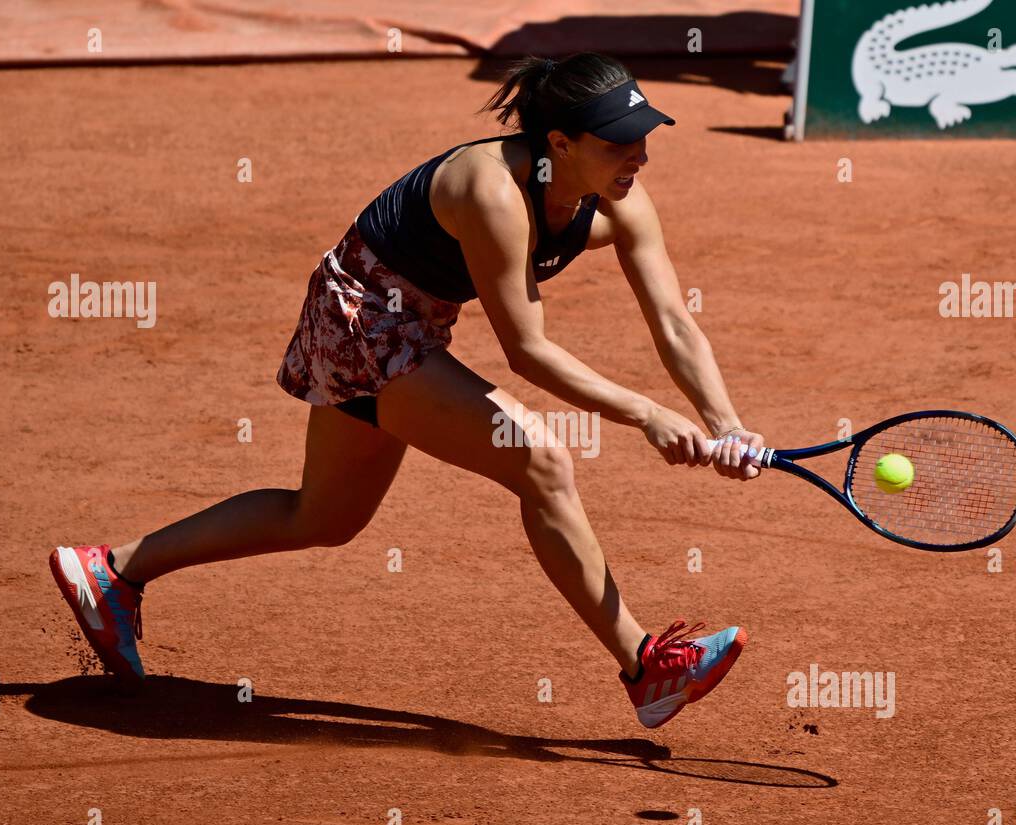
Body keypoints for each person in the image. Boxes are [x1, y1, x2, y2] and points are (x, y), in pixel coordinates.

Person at [50, 52, 768, 729]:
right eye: (619, 143)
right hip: (361, 314)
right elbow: (528, 351)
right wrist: (645, 413)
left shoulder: (618, 201)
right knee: (541, 462)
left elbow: (674, 322)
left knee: (323, 518)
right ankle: (645, 667)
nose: (638, 156)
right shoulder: (493, 189)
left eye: (643, 138)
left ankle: (115, 570)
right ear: (561, 142)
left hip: (411, 323)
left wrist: (725, 422)